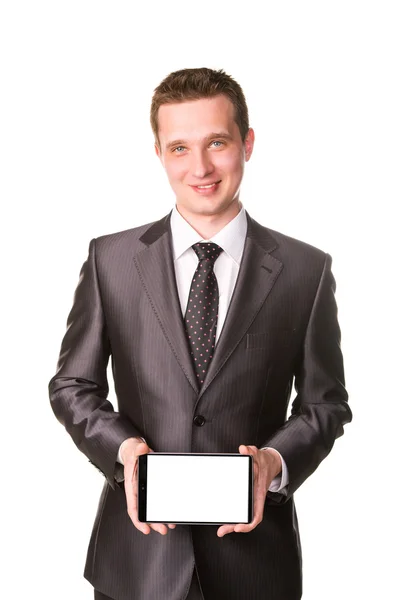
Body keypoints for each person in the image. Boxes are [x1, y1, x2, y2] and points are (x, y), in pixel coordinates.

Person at [48, 67, 352, 600]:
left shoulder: (306, 271)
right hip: (137, 565)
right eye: (180, 148)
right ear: (160, 154)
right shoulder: (111, 260)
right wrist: (122, 451)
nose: (201, 167)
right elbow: (72, 386)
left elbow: (325, 405)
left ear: (247, 143)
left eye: (217, 142)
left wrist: (273, 464)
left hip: (255, 567)